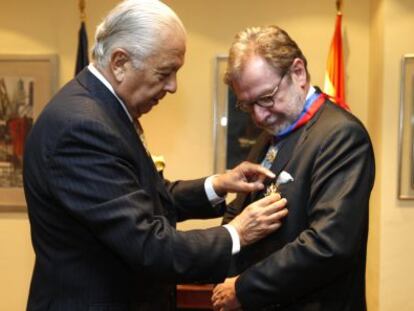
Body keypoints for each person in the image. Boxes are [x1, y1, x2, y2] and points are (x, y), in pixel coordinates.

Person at [23, 2, 289, 310]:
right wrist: (236, 233)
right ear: (120, 62)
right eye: (165, 72)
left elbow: (145, 198)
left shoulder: (104, 111)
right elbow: (148, 245)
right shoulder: (82, 126)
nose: (173, 86)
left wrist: (217, 185)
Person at [212, 25, 375, 311]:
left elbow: (328, 246)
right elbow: (239, 211)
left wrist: (243, 288)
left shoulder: (341, 135)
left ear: (297, 72)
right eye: (248, 105)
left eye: (266, 97)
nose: (259, 115)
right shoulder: (269, 137)